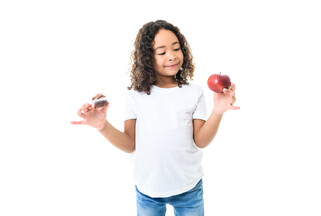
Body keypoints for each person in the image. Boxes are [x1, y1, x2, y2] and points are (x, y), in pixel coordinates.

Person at [71, 20, 240, 216]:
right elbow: (129, 144)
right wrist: (103, 126)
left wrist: (217, 112)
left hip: (189, 187)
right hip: (148, 190)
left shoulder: (194, 92)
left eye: (176, 48)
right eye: (162, 52)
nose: (172, 56)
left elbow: (200, 141)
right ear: (147, 58)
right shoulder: (135, 95)